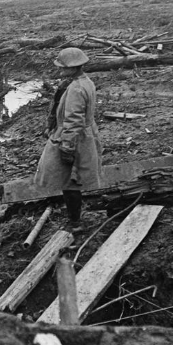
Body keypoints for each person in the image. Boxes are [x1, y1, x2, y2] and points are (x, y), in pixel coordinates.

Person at [34, 47, 103, 222]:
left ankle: (75, 222)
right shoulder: (86, 82)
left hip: (74, 137)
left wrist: (67, 146)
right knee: (73, 180)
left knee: (70, 182)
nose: (60, 70)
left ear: (73, 68)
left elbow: (73, 120)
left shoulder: (76, 89)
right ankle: (74, 219)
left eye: (63, 67)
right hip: (86, 134)